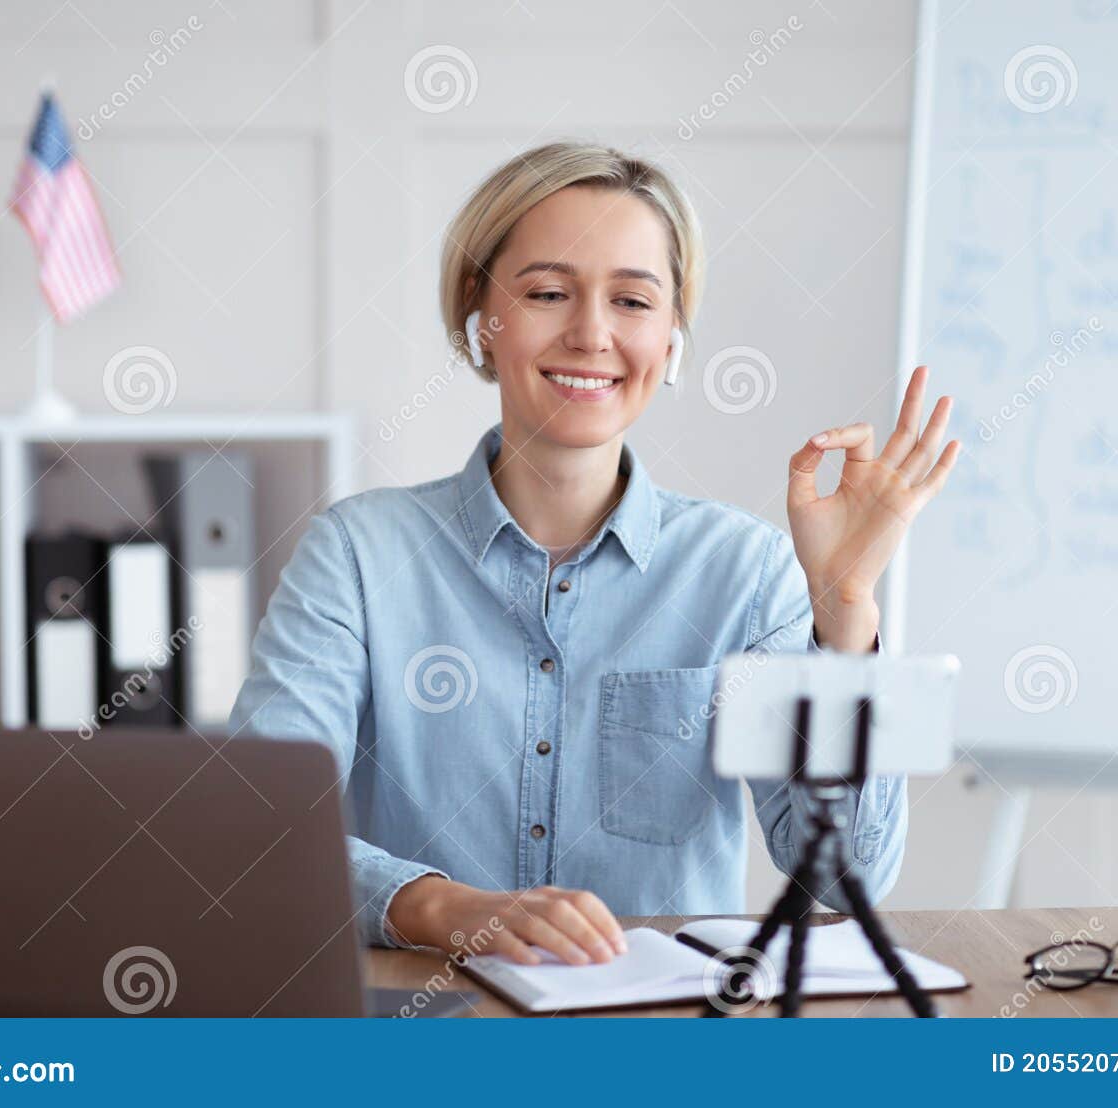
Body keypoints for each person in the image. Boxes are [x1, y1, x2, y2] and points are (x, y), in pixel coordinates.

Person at [229, 141, 958, 967]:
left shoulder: (744, 573)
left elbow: (842, 878)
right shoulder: (358, 557)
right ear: (481, 313)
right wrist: (442, 907)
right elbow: (261, 832)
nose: (590, 334)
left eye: (634, 302)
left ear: (674, 333)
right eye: (547, 293)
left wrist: (847, 616)